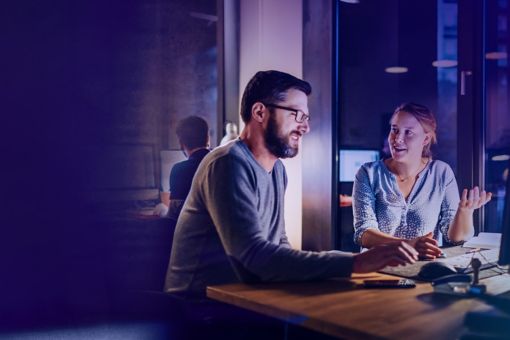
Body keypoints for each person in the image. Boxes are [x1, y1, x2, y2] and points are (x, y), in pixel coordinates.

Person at [165, 70, 418, 298]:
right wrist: (354, 263)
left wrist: (348, 265)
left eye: (307, 117)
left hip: (246, 299)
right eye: (297, 114)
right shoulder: (227, 163)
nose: (306, 127)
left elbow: (279, 244)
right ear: (260, 112)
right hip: (199, 308)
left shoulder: (277, 170)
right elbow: (255, 257)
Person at [353, 103, 492, 259]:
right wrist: (408, 245)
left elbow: (454, 238)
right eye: (394, 130)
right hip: (376, 270)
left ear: (425, 139)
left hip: (424, 271)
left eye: (408, 132)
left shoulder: (441, 172)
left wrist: (465, 212)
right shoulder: (368, 173)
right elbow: (363, 233)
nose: (398, 139)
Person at [166, 115, 210, 220]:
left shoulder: (179, 170)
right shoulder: (221, 165)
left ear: (181, 144)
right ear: (207, 138)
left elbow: (174, 215)